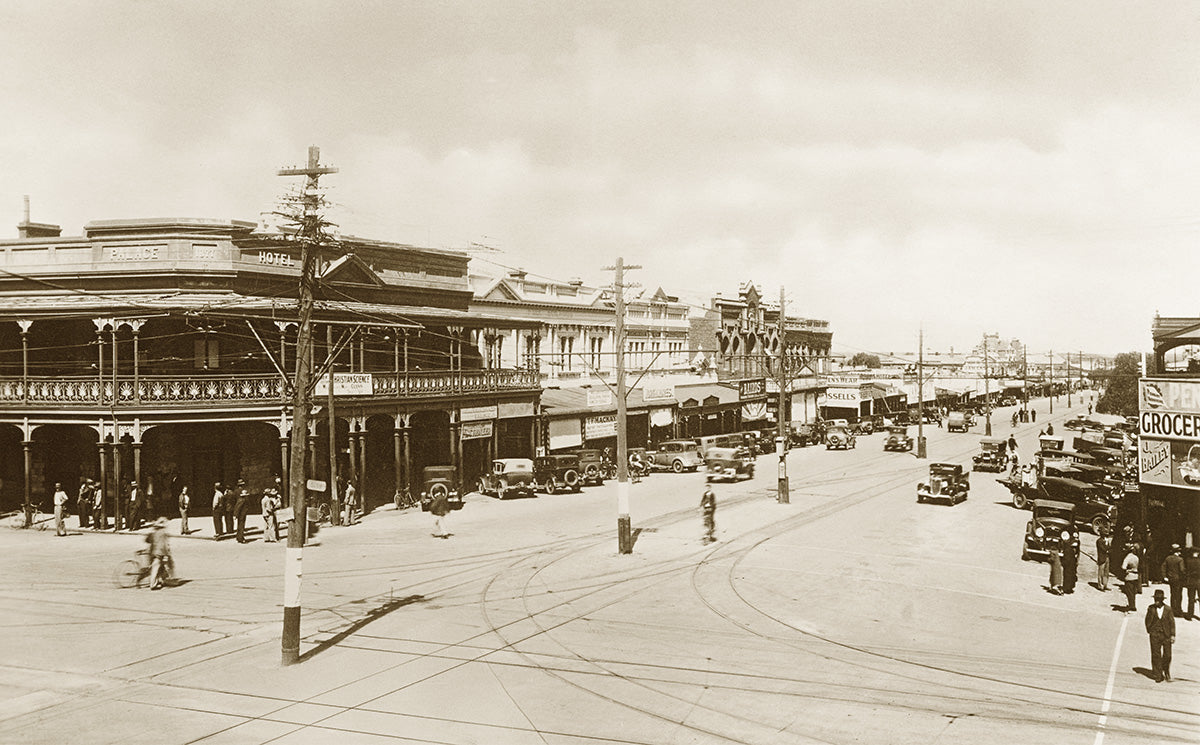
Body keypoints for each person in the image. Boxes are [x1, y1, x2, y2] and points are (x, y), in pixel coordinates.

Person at [1145, 588, 1175, 682]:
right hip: (1155, 635)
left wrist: (1172, 635)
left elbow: (1172, 622)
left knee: (1168, 655)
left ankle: (1165, 670)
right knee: (1156, 655)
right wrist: (1150, 630)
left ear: (1162, 600)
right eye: (1155, 599)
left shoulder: (1168, 609)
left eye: (1158, 599)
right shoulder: (1151, 608)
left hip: (1166, 635)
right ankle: (1158, 675)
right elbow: (1147, 620)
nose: (1156, 601)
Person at [146, 517, 172, 590]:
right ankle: (153, 584)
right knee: (156, 568)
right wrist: (166, 553)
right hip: (159, 553)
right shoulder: (163, 533)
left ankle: (161, 580)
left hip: (153, 552)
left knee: (161, 567)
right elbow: (164, 544)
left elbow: (148, 540)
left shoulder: (154, 532)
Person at [1163, 544, 1186, 618]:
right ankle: (1178, 610)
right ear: (1178, 551)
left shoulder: (1168, 558)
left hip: (1171, 579)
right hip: (1178, 579)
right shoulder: (1180, 559)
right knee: (1179, 595)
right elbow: (1182, 570)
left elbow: (1163, 567)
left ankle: (1172, 610)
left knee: (1173, 594)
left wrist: (1164, 576)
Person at [1122, 544, 1141, 612]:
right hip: (1136, 577)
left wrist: (1128, 570)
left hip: (1129, 576)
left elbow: (1123, 567)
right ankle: (1133, 605)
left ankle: (1131, 606)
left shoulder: (1129, 557)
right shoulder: (1137, 558)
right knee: (1133, 592)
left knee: (1129, 592)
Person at [1185, 547, 1200, 620]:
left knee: (1191, 599)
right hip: (1199, 581)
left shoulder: (1188, 561)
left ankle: (1190, 615)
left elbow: (1186, 571)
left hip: (1190, 581)